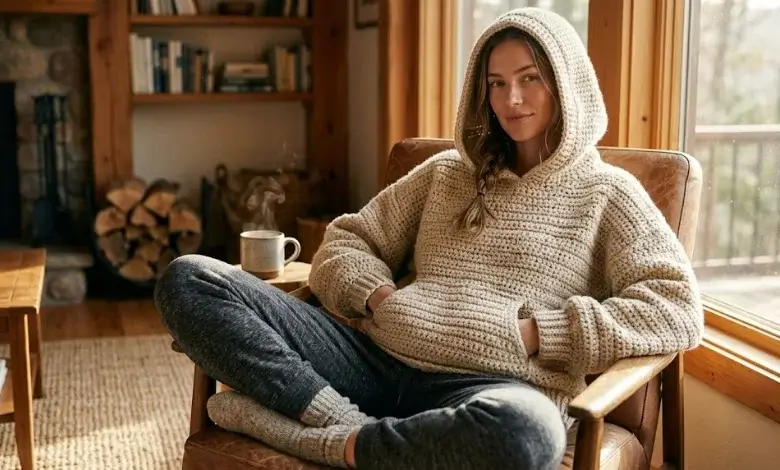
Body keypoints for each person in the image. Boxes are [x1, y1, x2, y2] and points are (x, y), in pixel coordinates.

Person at [155, 7, 704, 470]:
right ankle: (339, 419)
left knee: (528, 434)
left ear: (567, 84)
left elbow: (676, 308)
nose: (511, 98)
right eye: (496, 83)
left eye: (530, 78)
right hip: (370, 362)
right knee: (190, 279)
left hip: (488, 389)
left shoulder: (609, 194)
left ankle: (324, 440)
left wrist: (538, 333)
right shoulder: (445, 173)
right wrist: (380, 298)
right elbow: (346, 242)